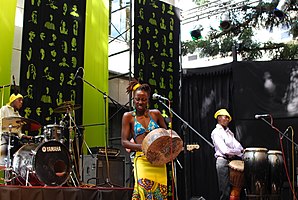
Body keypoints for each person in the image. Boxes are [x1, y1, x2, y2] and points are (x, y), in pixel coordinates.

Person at [121, 80, 168, 200]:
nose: (140, 102)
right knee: (143, 192)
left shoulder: (156, 114)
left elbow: (166, 136)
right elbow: (124, 141)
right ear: (133, 99)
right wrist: (142, 147)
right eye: (137, 99)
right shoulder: (128, 117)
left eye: (143, 99)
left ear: (148, 100)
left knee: (160, 195)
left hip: (158, 160)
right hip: (141, 159)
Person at [211, 108, 244, 200]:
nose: (227, 120)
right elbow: (225, 150)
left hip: (231, 161)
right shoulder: (216, 132)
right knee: (225, 191)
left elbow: (238, 145)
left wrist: (243, 152)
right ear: (219, 118)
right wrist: (239, 152)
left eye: (228, 118)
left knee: (234, 192)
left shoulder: (230, 133)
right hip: (222, 161)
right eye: (225, 117)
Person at [0, 93, 32, 167]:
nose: (21, 102)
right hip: (4, 137)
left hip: (14, 139)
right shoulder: (4, 109)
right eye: (19, 100)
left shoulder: (17, 115)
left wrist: (24, 136)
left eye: (22, 101)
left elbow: (18, 132)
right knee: (4, 164)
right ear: (13, 101)